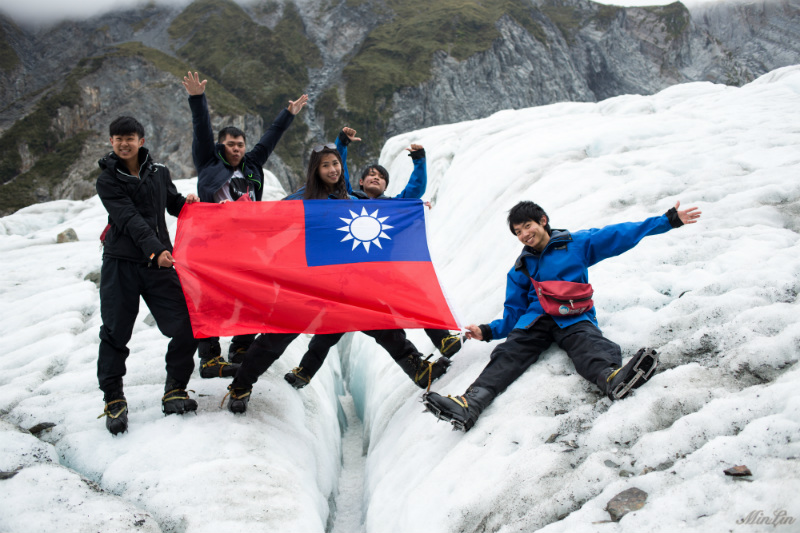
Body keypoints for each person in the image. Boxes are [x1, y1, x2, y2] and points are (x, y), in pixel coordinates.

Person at [422, 200, 702, 431]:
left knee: (589, 345)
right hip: (534, 321)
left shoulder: (577, 243)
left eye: (527, 226)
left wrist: (668, 220)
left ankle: (613, 379)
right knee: (507, 355)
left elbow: (621, 234)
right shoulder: (520, 268)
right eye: (517, 232)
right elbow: (513, 313)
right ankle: (469, 405)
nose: (523, 235)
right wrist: (488, 330)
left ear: (543, 220)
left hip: (573, 316)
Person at [224, 141, 446, 412]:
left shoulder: (350, 199)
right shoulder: (304, 196)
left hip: (348, 286)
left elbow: (379, 218)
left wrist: (412, 211)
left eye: (336, 163)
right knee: (277, 336)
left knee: (385, 327)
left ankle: (420, 371)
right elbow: (270, 216)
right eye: (325, 164)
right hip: (312, 284)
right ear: (315, 169)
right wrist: (239, 208)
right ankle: (241, 386)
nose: (332, 169)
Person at [284, 131, 462, 391]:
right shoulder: (349, 199)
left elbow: (414, 191)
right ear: (360, 181)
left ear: (386, 186)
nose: (375, 178)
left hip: (375, 279)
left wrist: (419, 164)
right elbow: (338, 173)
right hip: (346, 279)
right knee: (338, 330)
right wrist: (342, 145)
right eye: (371, 175)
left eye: (380, 177)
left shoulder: (392, 205)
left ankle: (435, 350)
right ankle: (304, 372)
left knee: (376, 322)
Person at [182, 71, 308, 378]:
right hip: (214, 241)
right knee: (210, 295)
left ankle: (240, 347)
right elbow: (201, 131)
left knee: (250, 293)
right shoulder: (209, 163)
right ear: (221, 146)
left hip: (248, 243)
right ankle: (209, 358)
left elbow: (270, 139)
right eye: (230, 144)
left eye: (240, 144)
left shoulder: (252, 164)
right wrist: (197, 99)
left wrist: (288, 114)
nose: (236, 149)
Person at [96, 116, 201, 435]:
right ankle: (113, 399)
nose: (123, 143)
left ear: (141, 141)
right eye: (118, 138)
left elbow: (172, 205)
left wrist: (195, 207)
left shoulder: (159, 173)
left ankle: (175, 390)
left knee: (187, 325)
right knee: (115, 332)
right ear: (111, 143)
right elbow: (128, 218)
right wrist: (156, 249)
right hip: (122, 263)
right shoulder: (107, 180)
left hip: (158, 265)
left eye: (129, 137)